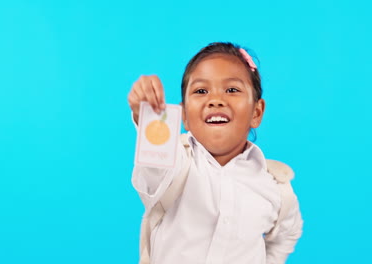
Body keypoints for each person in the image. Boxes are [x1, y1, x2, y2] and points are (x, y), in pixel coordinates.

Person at [128, 42, 303, 264]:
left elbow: (288, 232)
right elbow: (154, 166)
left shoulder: (275, 188)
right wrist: (147, 114)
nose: (215, 100)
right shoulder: (176, 166)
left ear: (256, 112)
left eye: (232, 90)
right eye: (201, 91)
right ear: (184, 116)